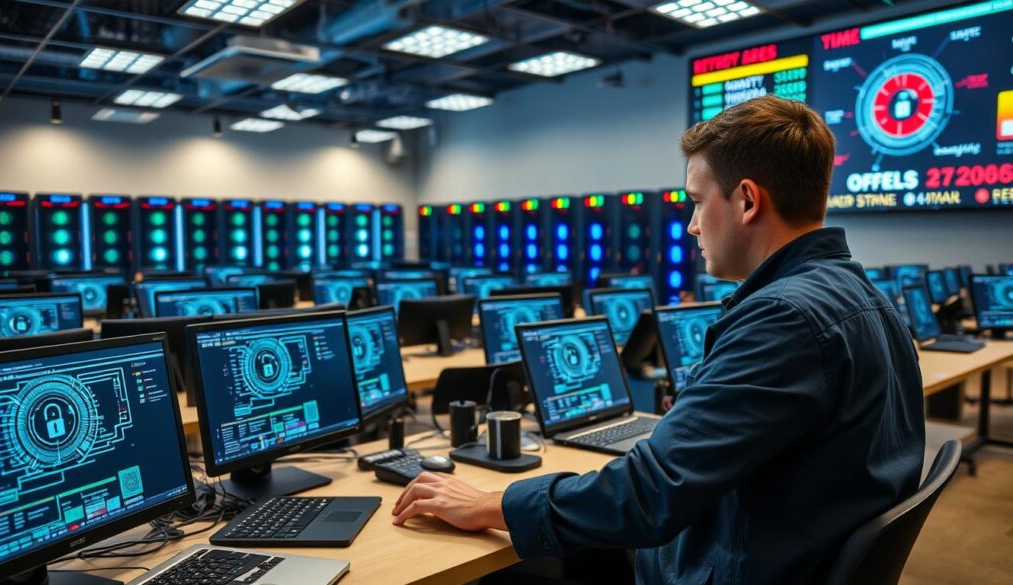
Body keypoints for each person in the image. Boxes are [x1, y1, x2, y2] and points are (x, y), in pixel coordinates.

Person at [391, 95, 926, 584]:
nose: (692, 225)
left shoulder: (782, 318)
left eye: (696, 201)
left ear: (747, 201)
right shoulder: (865, 296)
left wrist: (492, 503)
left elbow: (650, 496)